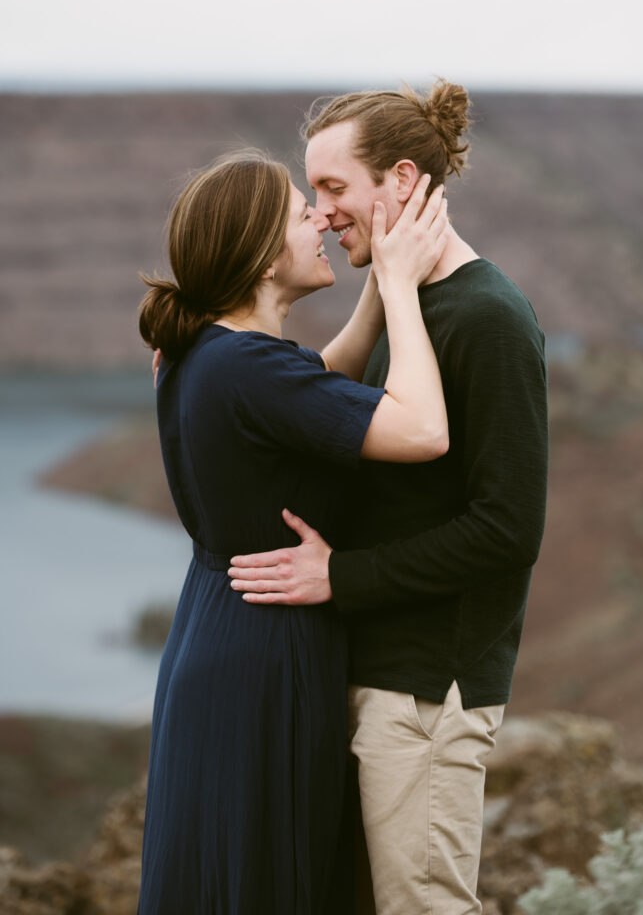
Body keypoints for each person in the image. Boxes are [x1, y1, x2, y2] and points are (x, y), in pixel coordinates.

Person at [229, 82, 549, 915]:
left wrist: (345, 577)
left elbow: (509, 529)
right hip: (373, 677)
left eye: (335, 188)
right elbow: (314, 404)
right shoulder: (407, 311)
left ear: (402, 181)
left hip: (429, 694)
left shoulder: (489, 319)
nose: (323, 213)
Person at [136, 148, 450, 915]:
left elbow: (317, 381)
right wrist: (405, 288)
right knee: (273, 877)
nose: (320, 216)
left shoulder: (204, 352)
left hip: (217, 635)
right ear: (260, 257)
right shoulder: (247, 369)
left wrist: (377, 278)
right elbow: (422, 431)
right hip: (267, 653)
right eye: (298, 211)